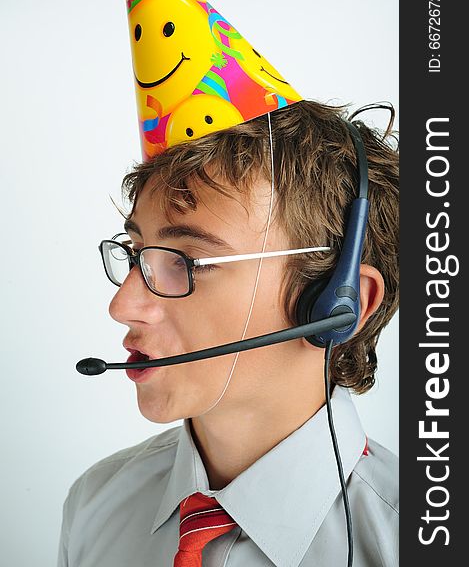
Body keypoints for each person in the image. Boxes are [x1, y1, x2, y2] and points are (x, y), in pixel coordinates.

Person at [57, 99, 399, 566]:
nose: (123, 306)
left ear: (339, 304)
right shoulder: (96, 503)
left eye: (186, 262)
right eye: (135, 252)